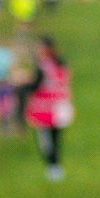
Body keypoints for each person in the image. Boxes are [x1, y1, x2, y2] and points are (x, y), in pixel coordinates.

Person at [23, 36, 74, 181]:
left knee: (46, 140)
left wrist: (23, 82)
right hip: (57, 105)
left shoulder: (43, 66)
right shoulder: (61, 64)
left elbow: (35, 85)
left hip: (45, 107)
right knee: (54, 138)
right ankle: (55, 166)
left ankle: (52, 166)